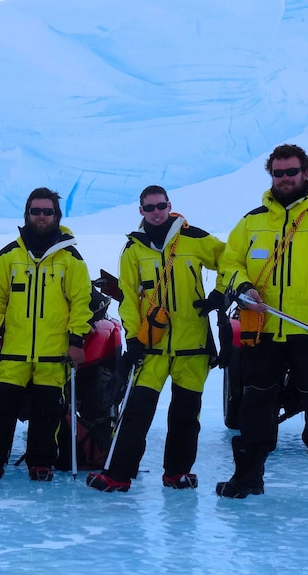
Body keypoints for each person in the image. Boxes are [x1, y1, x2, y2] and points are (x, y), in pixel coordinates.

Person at [215, 144, 308, 504]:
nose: (284, 179)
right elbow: (229, 264)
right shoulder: (251, 221)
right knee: (255, 410)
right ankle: (247, 478)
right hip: (263, 331)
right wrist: (243, 286)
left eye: (291, 172)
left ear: (306, 173)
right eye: (278, 173)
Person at [85, 185, 226, 492]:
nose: (156, 212)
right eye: (149, 208)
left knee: (186, 414)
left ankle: (177, 473)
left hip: (193, 345)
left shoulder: (195, 238)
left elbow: (230, 261)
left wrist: (219, 292)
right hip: (153, 347)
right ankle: (118, 474)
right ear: (141, 211)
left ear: (169, 205)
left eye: (160, 206)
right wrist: (133, 338)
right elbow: (129, 299)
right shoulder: (133, 248)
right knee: (136, 411)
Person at [0, 187, 92, 482]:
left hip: (53, 352)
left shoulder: (71, 258)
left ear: (57, 216)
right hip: (14, 350)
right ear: (27, 214)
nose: (41, 216)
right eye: (36, 211)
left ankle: (41, 463)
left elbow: (81, 302)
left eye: (47, 211)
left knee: (48, 410)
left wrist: (76, 341)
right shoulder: (9, 255)